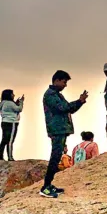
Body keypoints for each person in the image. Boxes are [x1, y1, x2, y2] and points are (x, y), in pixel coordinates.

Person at [39, 70, 88, 199]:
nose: (65, 85)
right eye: (64, 82)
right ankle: (45, 187)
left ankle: (49, 185)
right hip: (57, 130)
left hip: (60, 130)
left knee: (57, 156)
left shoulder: (57, 95)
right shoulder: (50, 95)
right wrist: (79, 101)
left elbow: (68, 108)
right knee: (55, 157)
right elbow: (64, 108)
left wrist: (80, 102)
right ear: (56, 81)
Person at [0, 90, 24, 161]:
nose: (14, 95)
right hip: (12, 123)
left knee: (4, 140)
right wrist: (21, 102)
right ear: (9, 95)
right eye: (12, 94)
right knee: (10, 141)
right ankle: (10, 157)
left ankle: (0, 157)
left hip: (4, 122)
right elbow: (19, 109)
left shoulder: (3, 102)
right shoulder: (10, 103)